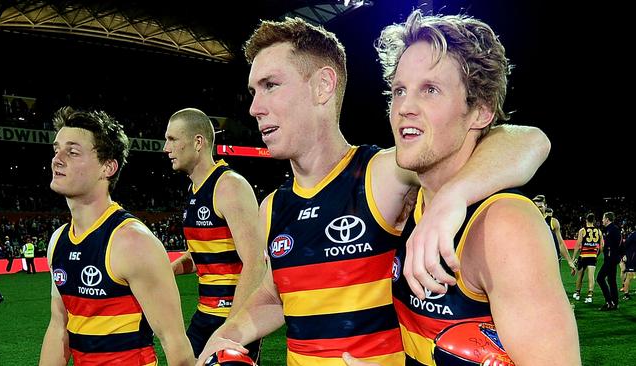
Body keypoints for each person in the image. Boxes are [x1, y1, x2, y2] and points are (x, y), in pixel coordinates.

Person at [196, 16, 549, 366]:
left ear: (322, 86)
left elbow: (527, 140)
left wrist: (453, 196)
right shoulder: (272, 207)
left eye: (271, 85)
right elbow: (276, 294)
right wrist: (227, 335)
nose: (255, 108)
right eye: (254, 91)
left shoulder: (382, 174)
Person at [345, 10, 579, 365]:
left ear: (481, 112)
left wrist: (454, 198)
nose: (404, 107)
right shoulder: (413, 194)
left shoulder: (503, 226)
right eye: (399, 91)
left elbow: (532, 139)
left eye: (430, 90)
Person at [39, 106, 194, 365]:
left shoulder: (133, 242)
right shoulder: (58, 241)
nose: (57, 159)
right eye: (57, 150)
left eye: (73, 151)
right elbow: (58, 328)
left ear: (108, 167)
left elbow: (174, 342)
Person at [163, 108, 264, 360]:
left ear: (198, 142)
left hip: (233, 319)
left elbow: (255, 262)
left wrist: (231, 328)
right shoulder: (196, 188)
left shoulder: (229, 185)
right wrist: (168, 271)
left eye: (172, 139)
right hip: (204, 316)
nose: (166, 147)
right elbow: (205, 252)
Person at [532, 195, 575, 269]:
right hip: (537, 261)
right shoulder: (530, 222)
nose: (538, 209)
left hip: (553, 261)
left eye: (540, 207)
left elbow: (560, 243)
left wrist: (569, 261)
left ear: (545, 206)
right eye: (536, 207)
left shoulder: (553, 222)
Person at [571, 213, 603, 304]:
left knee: (580, 275)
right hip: (592, 256)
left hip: (583, 256)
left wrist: (573, 257)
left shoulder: (583, 230)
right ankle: (589, 296)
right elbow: (601, 247)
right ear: (594, 221)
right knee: (591, 276)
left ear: (586, 220)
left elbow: (577, 245)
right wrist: (597, 254)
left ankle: (577, 294)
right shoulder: (599, 231)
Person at [597, 211, 622, 310]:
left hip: (611, 259)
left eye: (603, 218)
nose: (602, 220)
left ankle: (609, 301)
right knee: (611, 280)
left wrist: (617, 256)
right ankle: (614, 303)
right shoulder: (609, 229)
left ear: (607, 219)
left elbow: (618, 243)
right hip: (610, 258)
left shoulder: (613, 230)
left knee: (600, 278)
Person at [621, 229, 635, 300]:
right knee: (629, 275)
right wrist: (624, 255)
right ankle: (626, 294)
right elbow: (625, 244)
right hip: (631, 258)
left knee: (631, 275)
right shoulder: (633, 235)